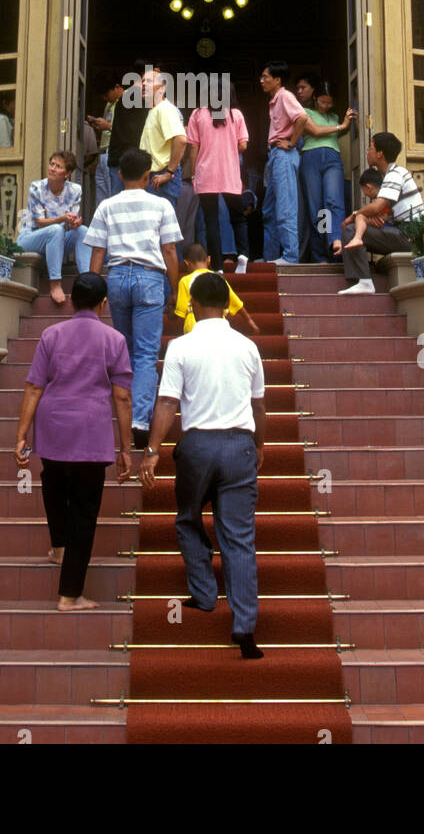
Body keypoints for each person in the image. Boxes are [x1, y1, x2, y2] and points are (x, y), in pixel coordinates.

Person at [141, 272, 266, 660]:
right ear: (228, 305)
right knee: (239, 538)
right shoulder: (247, 347)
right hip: (240, 444)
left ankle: (204, 594)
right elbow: (259, 405)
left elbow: (166, 403)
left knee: (189, 518)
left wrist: (153, 449)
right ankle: (244, 627)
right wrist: (258, 446)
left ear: (193, 304)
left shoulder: (181, 346)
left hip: (196, 446)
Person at [14, 272, 133, 612]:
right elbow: (123, 398)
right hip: (90, 431)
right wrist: (126, 448)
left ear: (72, 299)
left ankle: (58, 548)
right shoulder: (114, 339)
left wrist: (21, 433)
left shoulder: (51, 334)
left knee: (52, 485)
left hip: (52, 425)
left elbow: (34, 386)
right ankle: (70, 594)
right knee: (84, 511)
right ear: (103, 303)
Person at [85, 146, 182, 447]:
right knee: (145, 354)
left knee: (123, 351)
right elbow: (169, 250)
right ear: (147, 175)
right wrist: (175, 287)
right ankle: (139, 420)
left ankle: (118, 414)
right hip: (150, 278)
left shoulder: (106, 206)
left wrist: (93, 293)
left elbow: (98, 252)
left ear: (118, 174)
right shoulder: (161, 206)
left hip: (116, 279)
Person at [339, 132, 424, 294]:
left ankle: (363, 281)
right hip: (404, 233)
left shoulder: (395, 174)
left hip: (407, 235)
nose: (367, 152)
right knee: (357, 229)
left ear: (380, 153)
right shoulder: (392, 175)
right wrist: (375, 217)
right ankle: (361, 280)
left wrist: (354, 215)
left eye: (370, 148)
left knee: (350, 230)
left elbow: (377, 207)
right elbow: (383, 211)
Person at [184, 78, 251, 274]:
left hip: (206, 175)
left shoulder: (197, 114)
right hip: (230, 174)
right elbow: (243, 145)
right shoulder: (236, 114)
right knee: (238, 218)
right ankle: (243, 255)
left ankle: (219, 267)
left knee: (211, 221)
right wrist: (229, 149)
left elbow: (193, 148)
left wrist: (194, 172)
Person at [16, 151, 92, 306]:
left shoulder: (75, 190)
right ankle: (55, 283)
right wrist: (63, 219)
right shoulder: (37, 188)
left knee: (82, 230)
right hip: (29, 238)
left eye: (58, 167)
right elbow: (39, 222)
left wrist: (74, 222)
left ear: (67, 173)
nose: (52, 168)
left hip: (55, 241)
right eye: (52, 164)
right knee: (56, 229)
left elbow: (70, 220)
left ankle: (87, 283)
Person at [295, 78, 357, 262]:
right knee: (317, 209)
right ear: (315, 98)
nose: (326, 105)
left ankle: (335, 239)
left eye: (329, 102)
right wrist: (342, 126)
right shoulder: (305, 112)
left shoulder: (335, 117)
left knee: (333, 201)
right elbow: (315, 131)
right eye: (322, 101)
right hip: (310, 159)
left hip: (332, 159)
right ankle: (320, 254)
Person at [258, 62, 306, 265]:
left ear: (277, 80)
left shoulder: (285, 96)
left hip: (284, 156)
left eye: (265, 76)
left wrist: (292, 142)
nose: (261, 81)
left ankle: (290, 256)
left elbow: (301, 117)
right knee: (269, 210)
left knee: (285, 206)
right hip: (275, 157)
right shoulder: (275, 100)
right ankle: (270, 256)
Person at [174, 244, 260, 336]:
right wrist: (249, 321)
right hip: (219, 323)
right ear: (209, 260)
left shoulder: (185, 281)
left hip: (193, 324)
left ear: (186, 263)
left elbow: (181, 311)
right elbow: (236, 302)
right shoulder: (218, 279)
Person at [138, 66, 186, 213]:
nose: (144, 84)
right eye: (143, 81)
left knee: (160, 230)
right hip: (152, 178)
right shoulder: (154, 110)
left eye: (149, 81)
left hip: (161, 180)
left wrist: (169, 172)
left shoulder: (165, 109)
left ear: (162, 88)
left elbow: (181, 139)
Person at [105, 65, 148, 197]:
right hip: (128, 160)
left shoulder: (127, 99)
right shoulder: (135, 99)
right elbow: (135, 133)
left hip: (122, 158)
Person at [87, 73, 123, 207]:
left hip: (114, 154)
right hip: (103, 154)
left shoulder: (127, 103)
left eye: (106, 94)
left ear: (117, 87)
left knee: (113, 197)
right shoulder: (109, 105)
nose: (105, 99)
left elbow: (129, 131)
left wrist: (107, 126)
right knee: (101, 200)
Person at [342, 168, 386, 251]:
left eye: (364, 190)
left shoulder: (383, 198)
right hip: (385, 225)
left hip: (387, 225)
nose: (365, 194)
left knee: (359, 217)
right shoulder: (383, 195)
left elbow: (384, 217)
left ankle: (357, 238)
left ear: (368, 187)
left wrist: (356, 215)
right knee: (360, 217)